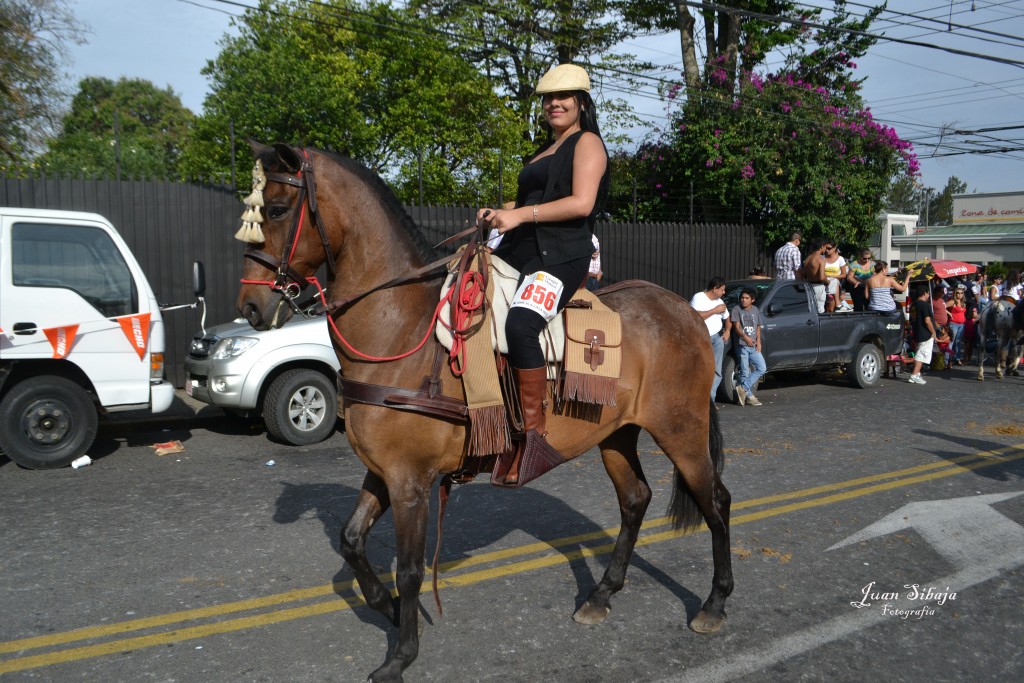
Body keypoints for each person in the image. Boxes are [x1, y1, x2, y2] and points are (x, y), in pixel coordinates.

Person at [477, 63, 609, 486]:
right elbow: (525, 207)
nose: (554, 103)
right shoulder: (542, 150)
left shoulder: (588, 143)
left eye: (563, 96)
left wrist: (519, 215)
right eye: (548, 98)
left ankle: (534, 438)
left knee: (520, 325)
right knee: (466, 305)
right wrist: (499, 215)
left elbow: (582, 203)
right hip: (518, 252)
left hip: (559, 258)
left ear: (581, 102)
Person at [690, 276, 731, 402]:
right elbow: (695, 316)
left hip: (717, 338)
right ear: (714, 288)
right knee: (701, 368)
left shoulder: (720, 302)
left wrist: (727, 330)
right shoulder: (699, 297)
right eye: (722, 290)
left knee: (716, 370)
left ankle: (710, 400)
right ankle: (697, 399)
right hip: (701, 338)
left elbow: (727, 319)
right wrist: (714, 310)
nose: (724, 292)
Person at [730, 287, 766, 407]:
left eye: (746, 298)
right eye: (742, 298)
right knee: (745, 371)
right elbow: (736, 327)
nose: (743, 300)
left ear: (752, 300)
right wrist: (745, 337)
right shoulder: (736, 309)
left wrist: (759, 341)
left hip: (754, 345)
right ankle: (749, 397)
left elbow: (758, 326)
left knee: (762, 367)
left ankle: (743, 388)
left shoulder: (755, 309)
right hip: (742, 345)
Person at [908, 286, 936, 385]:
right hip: (925, 333)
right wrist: (933, 332)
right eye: (928, 293)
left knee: (919, 352)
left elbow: (911, 320)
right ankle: (914, 375)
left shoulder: (913, 305)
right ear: (924, 293)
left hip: (917, 332)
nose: (929, 295)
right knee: (922, 355)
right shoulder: (925, 305)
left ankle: (917, 373)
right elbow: (927, 321)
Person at [800, 240, 828, 313]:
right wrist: (828, 281)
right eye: (825, 247)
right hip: (818, 286)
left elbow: (804, 274)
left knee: (810, 309)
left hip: (809, 286)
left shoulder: (807, 258)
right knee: (820, 310)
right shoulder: (821, 259)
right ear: (822, 246)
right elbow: (822, 277)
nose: (826, 249)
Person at [822, 242, 848, 312]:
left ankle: (838, 305)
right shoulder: (822, 258)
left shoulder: (840, 259)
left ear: (834, 248)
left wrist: (833, 276)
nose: (827, 250)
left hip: (835, 284)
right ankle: (838, 305)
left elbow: (844, 275)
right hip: (824, 282)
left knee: (835, 281)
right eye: (826, 248)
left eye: (829, 248)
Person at [946, 284, 968, 364]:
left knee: (958, 342)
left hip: (962, 324)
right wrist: (949, 313)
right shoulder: (953, 301)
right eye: (958, 293)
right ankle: (947, 359)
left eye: (961, 293)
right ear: (955, 293)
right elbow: (943, 306)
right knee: (951, 341)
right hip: (953, 323)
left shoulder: (963, 303)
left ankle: (957, 358)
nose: (959, 294)